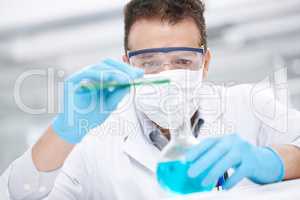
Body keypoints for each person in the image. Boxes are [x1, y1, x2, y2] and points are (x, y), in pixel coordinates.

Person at [2, 0, 300, 199]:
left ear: (205, 62)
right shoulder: (93, 142)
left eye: (183, 62)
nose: (168, 75)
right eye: (149, 63)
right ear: (127, 64)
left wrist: (268, 162)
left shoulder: (249, 103)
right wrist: (64, 130)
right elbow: (17, 194)